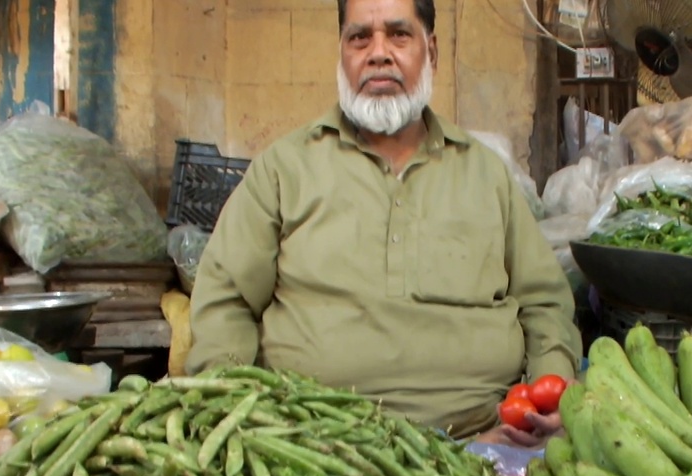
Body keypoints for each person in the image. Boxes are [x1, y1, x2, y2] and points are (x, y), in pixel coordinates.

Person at [186, 0, 582, 448]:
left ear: (430, 51)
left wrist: (548, 397)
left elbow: (545, 304)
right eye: (360, 37)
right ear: (342, 53)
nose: (378, 52)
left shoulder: (486, 174)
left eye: (398, 34)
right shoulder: (284, 170)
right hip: (313, 453)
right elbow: (225, 300)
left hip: (484, 442)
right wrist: (238, 419)